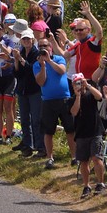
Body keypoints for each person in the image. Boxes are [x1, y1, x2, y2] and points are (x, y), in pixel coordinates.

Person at [33, 36, 74, 169]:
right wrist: (43, 66)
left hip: (64, 99)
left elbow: (61, 70)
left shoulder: (58, 58)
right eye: (40, 47)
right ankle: (50, 157)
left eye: (45, 46)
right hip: (48, 101)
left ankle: (74, 156)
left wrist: (49, 60)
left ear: (51, 47)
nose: (43, 49)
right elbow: (40, 82)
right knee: (48, 131)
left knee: (70, 129)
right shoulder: (36, 64)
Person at [70, 73, 105, 196]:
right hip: (81, 133)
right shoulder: (72, 98)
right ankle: (86, 186)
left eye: (80, 82)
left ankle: (100, 183)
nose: (79, 85)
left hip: (95, 130)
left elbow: (100, 96)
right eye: (76, 83)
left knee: (96, 157)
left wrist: (88, 86)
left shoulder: (91, 93)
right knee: (84, 161)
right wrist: (78, 95)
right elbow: (74, 112)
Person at [12, 28, 45, 157]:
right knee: (24, 119)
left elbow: (32, 70)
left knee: (36, 119)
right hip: (22, 90)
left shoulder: (36, 54)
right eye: (24, 39)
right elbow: (17, 73)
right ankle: (27, 144)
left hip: (34, 90)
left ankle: (39, 146)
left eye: (28, 39)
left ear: (32, 40)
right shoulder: (21, 53)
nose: (26, 41)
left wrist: (20, 59)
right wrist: (16, 60)